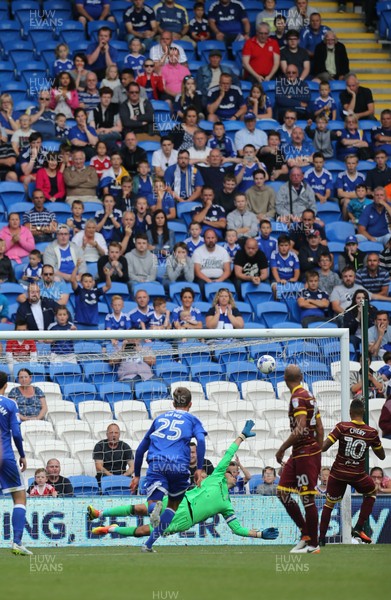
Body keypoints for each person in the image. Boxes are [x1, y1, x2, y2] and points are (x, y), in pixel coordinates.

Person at [88, 422, 279, 544]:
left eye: (235, 475)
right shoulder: (216, 476)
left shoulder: (226, 505)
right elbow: (229, 453)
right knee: (140, 508)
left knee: (143, 531)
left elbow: (237, 529)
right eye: (232, 473)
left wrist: (260, 535)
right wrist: (242, 437)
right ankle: (100, 513)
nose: (234, 476)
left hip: (184, 519)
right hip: (177, 501)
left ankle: (110, 529)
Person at [129, 386, 207, 552]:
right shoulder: (192, 419)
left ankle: (153, 510)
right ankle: (148, 545)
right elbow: (201, 441)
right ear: (190, 404)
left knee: (152, 503)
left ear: (173, 403)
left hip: (158, 464)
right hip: (179, 466)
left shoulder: (159, 419)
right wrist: (199, 469)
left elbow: (141, 448)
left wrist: (136, 475)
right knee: (173, 506)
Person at [319, 399, 385, 545]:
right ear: (364, 413)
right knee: (372, 492)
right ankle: (359, 527)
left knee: (329, 504)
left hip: (338, 473)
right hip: (357, 475)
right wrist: (373, 444)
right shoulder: (371, 432)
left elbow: (324, 447)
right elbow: (382, 456)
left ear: (350, 413)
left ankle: (321, 539)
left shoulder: (341, 426)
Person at [276, 364, 324, 554]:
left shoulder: (297, 397)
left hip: (304, 452)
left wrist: (282, 448)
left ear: (285, 380)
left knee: (307, 498)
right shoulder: (309, 396)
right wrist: (318, 450)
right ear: (302, 377)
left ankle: (313, 545)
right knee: (282, 492)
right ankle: (306, 534)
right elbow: (319, 428)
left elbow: (301, 427)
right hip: (303, 452)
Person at [0, 371, 32, 555]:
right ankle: (17, 542)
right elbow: (17, 434)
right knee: (19, 497)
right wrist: (22, 454)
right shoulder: (10, 403)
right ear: (5, 386)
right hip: (4, 456)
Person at [192, 228, 231, 297]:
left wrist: (220, 280)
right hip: (203, 279)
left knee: (230, 285)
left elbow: (227, 271)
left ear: (216, 239)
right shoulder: (197, 252)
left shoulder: (223, 251)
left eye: (213, 238)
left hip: (220, 278)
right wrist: (209, 281)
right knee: (200, 285)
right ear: (204, 239)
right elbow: (197, 272)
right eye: (208, 238)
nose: (210, 240)